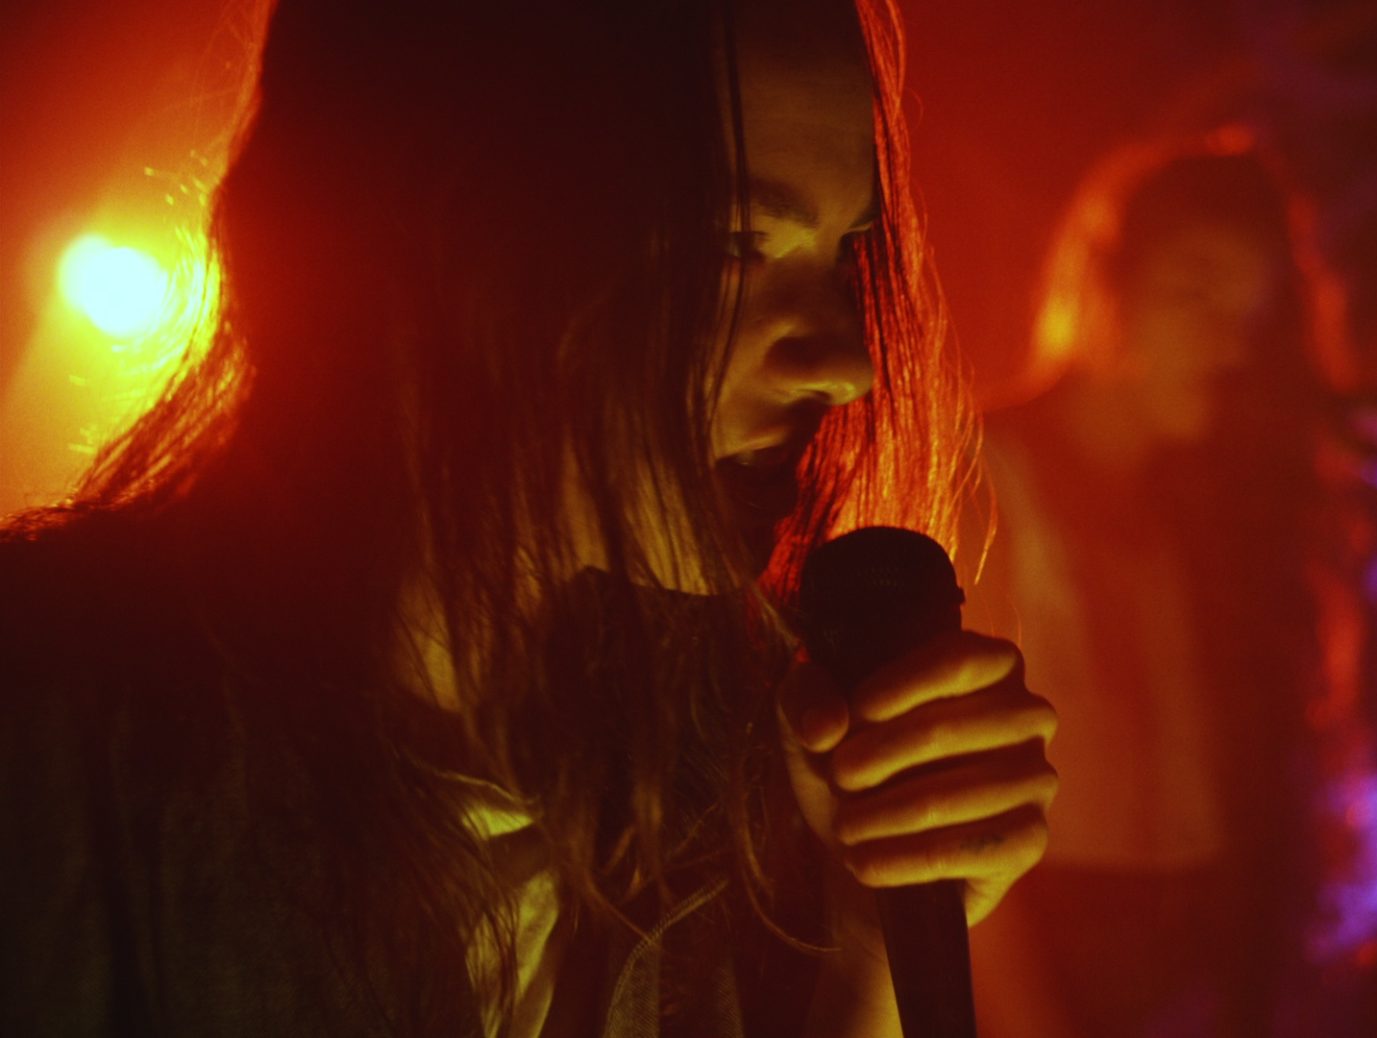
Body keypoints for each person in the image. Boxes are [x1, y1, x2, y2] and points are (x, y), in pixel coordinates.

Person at [0, 1, 1057, 1035]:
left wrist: (869, 953)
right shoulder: (61, 733)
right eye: (732, 244)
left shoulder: (743, 754)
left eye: (842, 254)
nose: (847, 361)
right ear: (425, 234)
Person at [965, 128, 1322, 1038]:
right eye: (1195, 292)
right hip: (1056, 949)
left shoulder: (1203, 510)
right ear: (1102, 281)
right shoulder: (987, 479)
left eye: (1250, 312)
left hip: (1194, 960)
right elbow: (957, 823)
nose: (1227, 344)